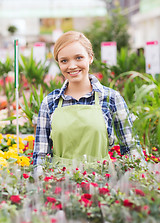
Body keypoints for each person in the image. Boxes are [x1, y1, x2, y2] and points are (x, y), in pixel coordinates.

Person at [33, 31, 144, 170]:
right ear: (58, 64)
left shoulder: (111, 98)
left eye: (79, 58)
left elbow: (131, 148)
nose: (72, 66)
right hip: (59, 184)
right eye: (64, 61)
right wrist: (40, 183)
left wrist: (137, 181)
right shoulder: (50, 102)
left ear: (90, 58)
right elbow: (41, 155)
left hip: (103, 184)